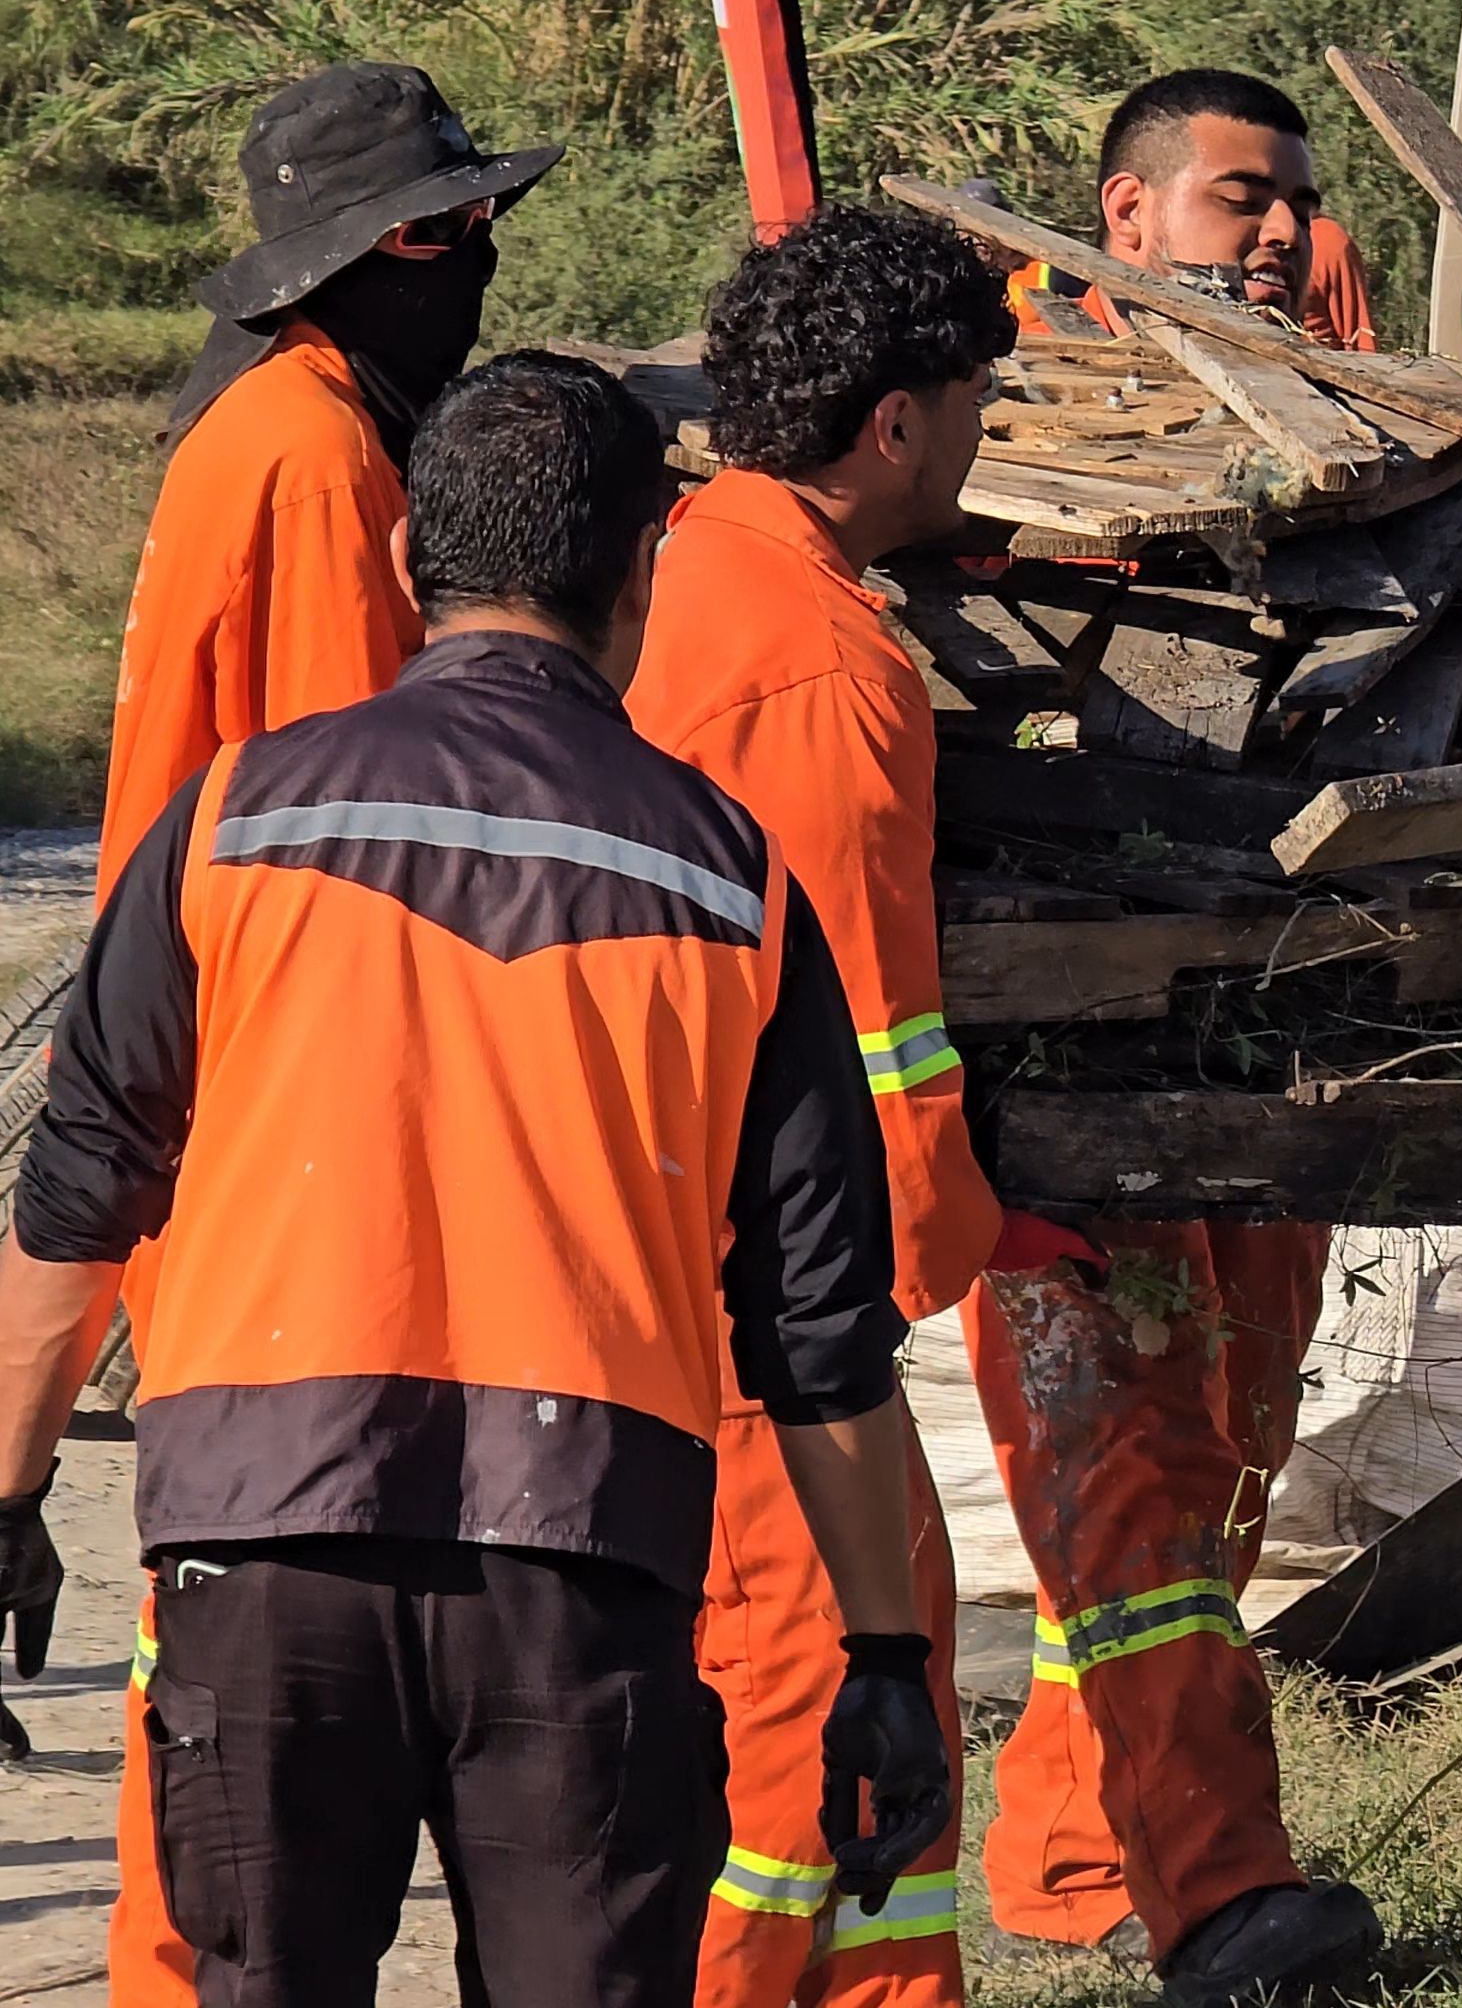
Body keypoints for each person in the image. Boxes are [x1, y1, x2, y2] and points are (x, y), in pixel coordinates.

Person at [0, 354, 950, 2007]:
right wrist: (884, 1650)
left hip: (266, 1552)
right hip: (585, 1567)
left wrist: (10, 1497)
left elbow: (80, 1193)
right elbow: (818, 1325)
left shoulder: (227, 824)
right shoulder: (732, 880)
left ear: (402, 563)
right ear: (643, 569)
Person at [88, 58, 559, 2007]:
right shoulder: (308, 458)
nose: (485, 256)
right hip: (255, 1120)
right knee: (233, 1650)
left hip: (228, 1096)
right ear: (384, 252)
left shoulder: (301, 420)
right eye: (460, 231)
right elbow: (360, 832)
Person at [971, 78, 1387, 2006]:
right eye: (1241, 197)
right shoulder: (1006, 411)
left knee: (1227, 1440)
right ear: (1124, 219)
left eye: (1298, 200)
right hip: (1077, 1044)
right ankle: (1190, 1882)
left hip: (1265, 1020)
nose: (1281, 232)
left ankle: (1079, 1845)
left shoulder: (1323, 404)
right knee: (1129, 1461)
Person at [622, 207, 1012, 2008]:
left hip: (675, 1263)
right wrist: (954, 1241)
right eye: (976, 399)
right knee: (811, 1722)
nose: (985, 433)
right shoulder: (818, 671)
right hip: (760, 1313)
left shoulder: (699, 570)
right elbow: (860, 1048)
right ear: (897, 424)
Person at [111, 62, 559, 882]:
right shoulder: (319, 456)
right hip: (248, 933)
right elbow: (357, 796)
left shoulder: (285, 404)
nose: (477, 254)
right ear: (337, 262)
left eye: (479, 214)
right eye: (435, 229)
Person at [1008, 68, 1382, 351]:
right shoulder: (1007, 388)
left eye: (1302, 215)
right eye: (1243, 201)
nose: (1288, 232)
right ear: (1129, 210)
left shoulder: (1340, 411)